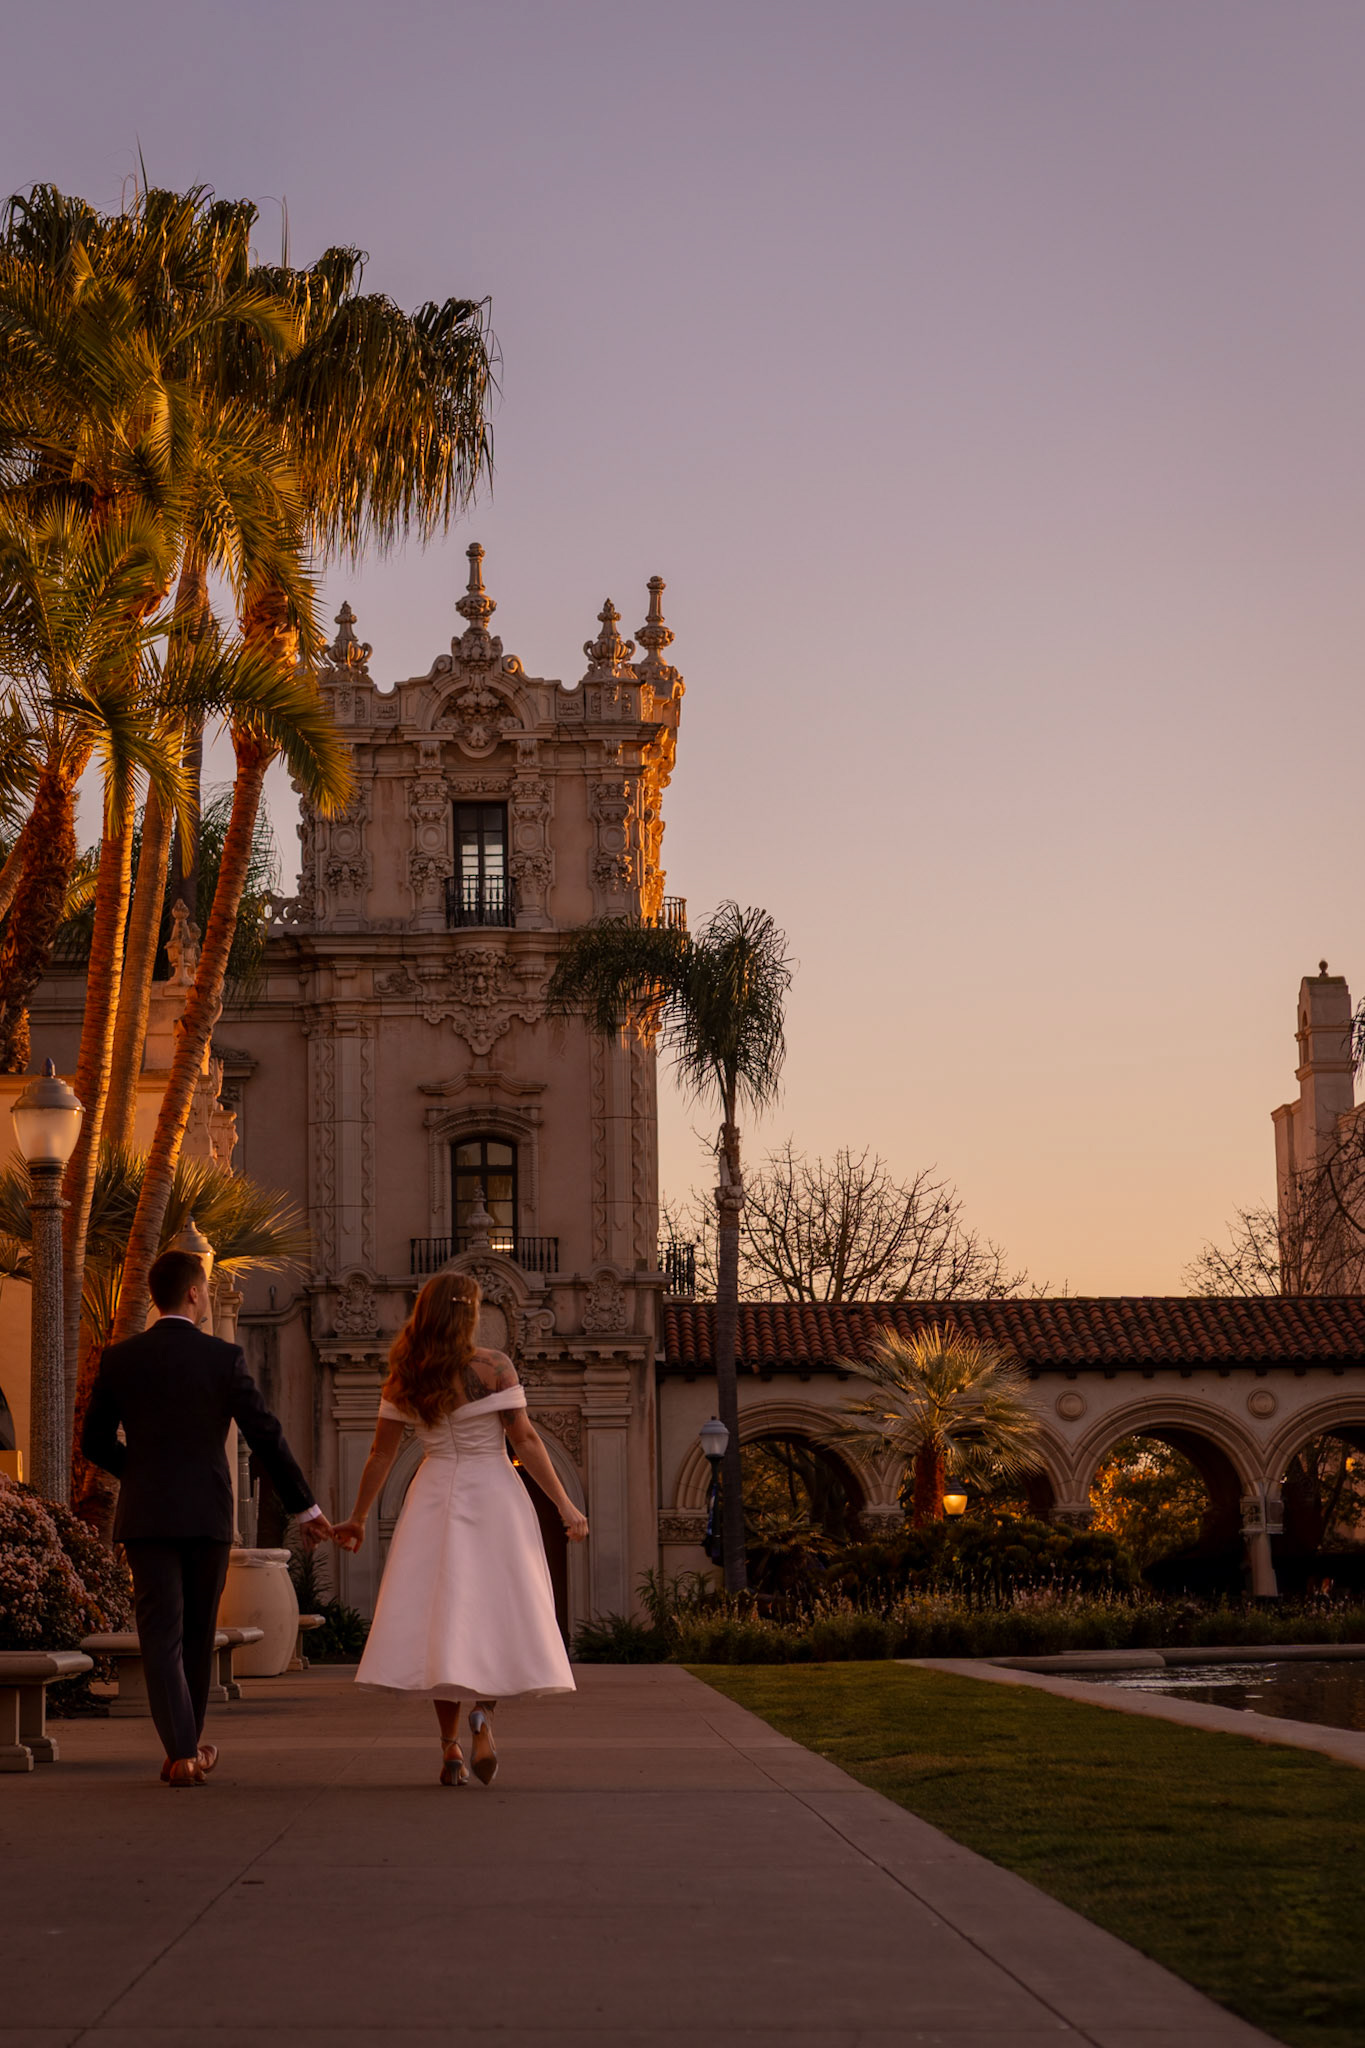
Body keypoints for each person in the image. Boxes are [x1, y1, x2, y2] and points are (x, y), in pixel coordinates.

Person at [82, 1248, 332, 1786]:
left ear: (155, 1294)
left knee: (160, 1634)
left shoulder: (120, 1359)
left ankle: (183, 1751)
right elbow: (266, 1434)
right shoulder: (223, 1359)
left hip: (147, 1514)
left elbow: (94, 1442)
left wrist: (141, 1470)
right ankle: (186, 1752)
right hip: (207, 1513)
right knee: (198, 1633)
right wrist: (306, 1507)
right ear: (195, 1293)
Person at [334, 1271, 587, 1787]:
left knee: (443, 1617)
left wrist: (358, 1517)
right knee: (497, 1609)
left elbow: (381, 1454)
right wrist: (564, 1505)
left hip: (432, 1493)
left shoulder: (405, 1373)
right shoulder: (493, 1367)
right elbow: (527, 1441)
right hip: (494, 1493)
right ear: (467, 1314)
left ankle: (450, 1748)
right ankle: (483, 1717)